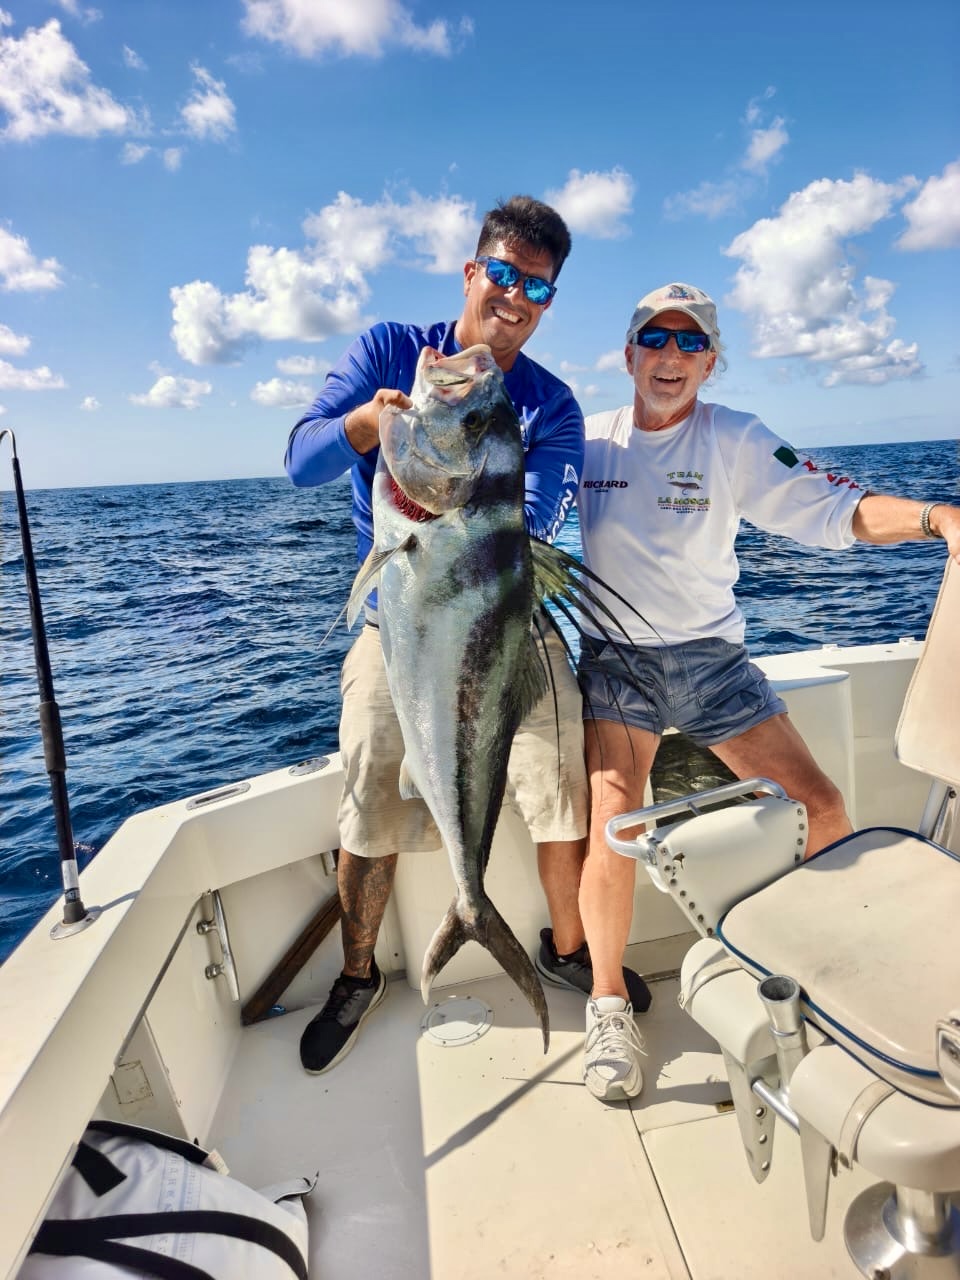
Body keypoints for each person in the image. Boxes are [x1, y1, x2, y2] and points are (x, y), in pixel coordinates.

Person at [284, 195, 650, 1076]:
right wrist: (368, 429)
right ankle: (361, 973)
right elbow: (300, 460)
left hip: (508, 619)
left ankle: (565, 947)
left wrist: (467, 518)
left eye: (538, 285)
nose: (516, 297)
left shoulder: (551, 404)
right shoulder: (388, 350)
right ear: (471, 271)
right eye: (504, 273)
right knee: (372, 781)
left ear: (549, 299)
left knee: (565, 780)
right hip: (400, 618)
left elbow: (544, 514)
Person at [574, 281, 960, 1104]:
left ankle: (839, 971)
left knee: (823, 807)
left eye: (690, 343)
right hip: (617, 664)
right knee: (609, 827)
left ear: (712, 361)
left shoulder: (736, 438)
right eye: (656, 338)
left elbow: (837, 507)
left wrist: (937, 518)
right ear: (628, 352)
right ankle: (608, 1002)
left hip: (713, 662)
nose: (670, 356)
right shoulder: (587, 440)